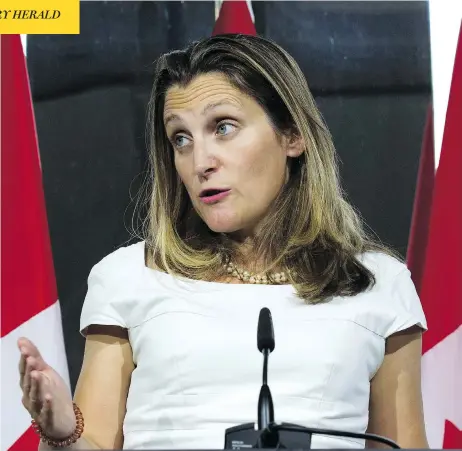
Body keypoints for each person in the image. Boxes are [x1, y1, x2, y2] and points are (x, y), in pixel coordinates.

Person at [18, 34, 428, 450]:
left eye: (223, 128)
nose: (200, 162)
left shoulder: (380, 284)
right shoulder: (127, 278)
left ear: (292, 135)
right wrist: (62, 432)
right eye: (181, 138)